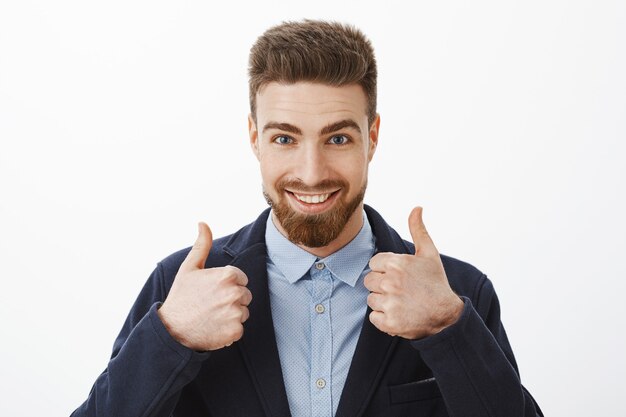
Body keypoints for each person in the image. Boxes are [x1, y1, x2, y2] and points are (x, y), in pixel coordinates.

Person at [72, 20, 543, 417]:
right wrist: (169, 338)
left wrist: (447, 328)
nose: (312, 174)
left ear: (372, 136)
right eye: (284, 139)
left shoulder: (456, 293)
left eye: (337, 139)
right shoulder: (181, 286)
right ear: (254, 137)